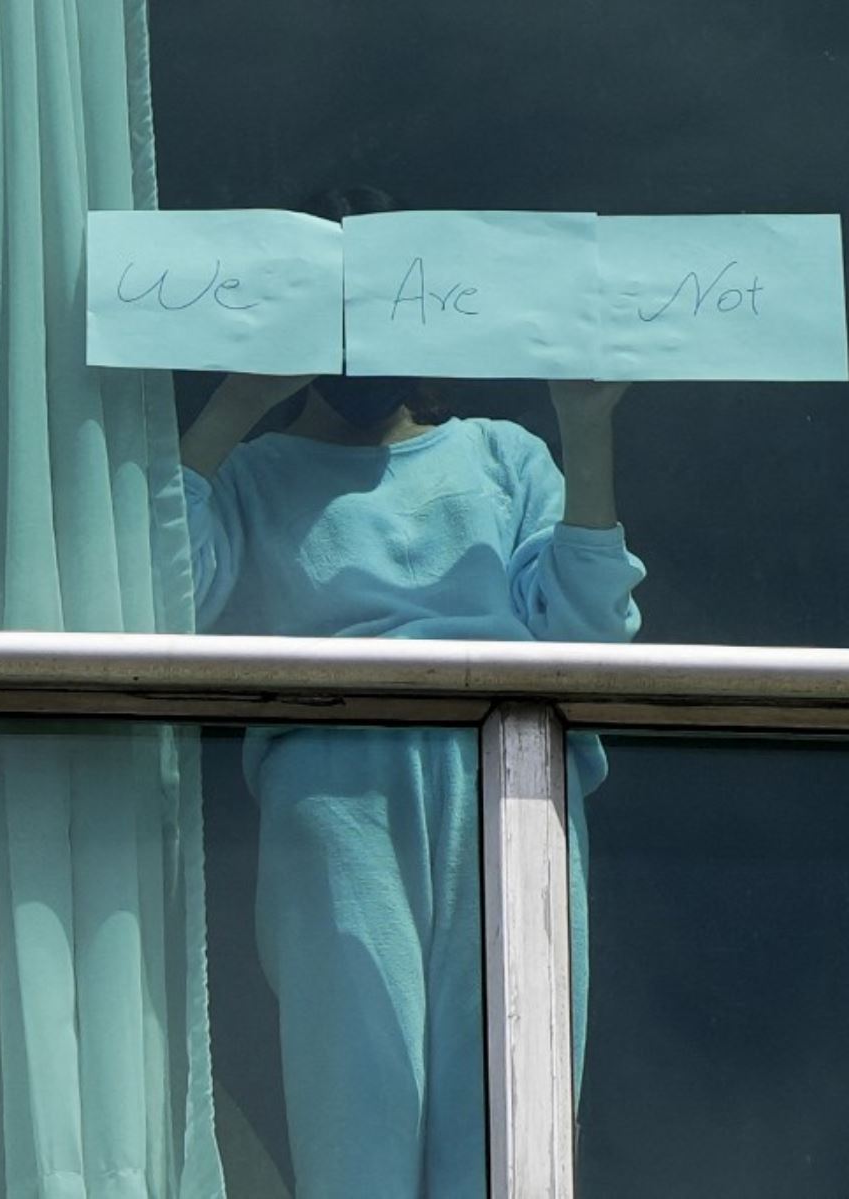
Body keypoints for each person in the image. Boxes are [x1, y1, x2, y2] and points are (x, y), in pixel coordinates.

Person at [179, 186, 643, 1198]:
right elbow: (148, 588)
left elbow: (592, 635)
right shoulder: (255, 478)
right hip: (335, 793)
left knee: (513, 1105)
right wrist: (234, 399)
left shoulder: (499, 453)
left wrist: (587, 428)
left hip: (510, 788)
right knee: (361, 1102)